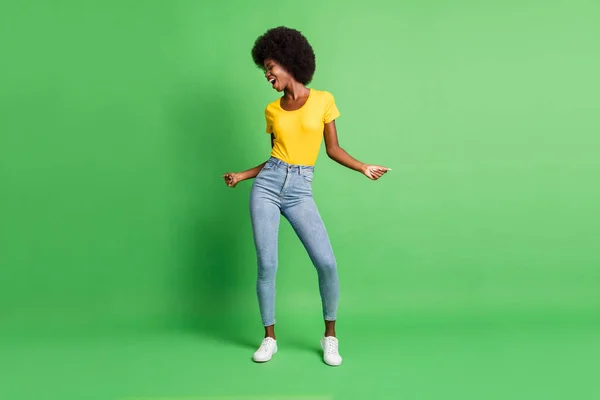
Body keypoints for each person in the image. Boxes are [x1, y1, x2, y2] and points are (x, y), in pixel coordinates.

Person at [222, 26, 390, 366]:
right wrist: (243, 175)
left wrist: (361, 167)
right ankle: (269, 338)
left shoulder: (324, 100)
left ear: (288, 61)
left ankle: (330, 336)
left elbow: (333, 149)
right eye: (264, 70)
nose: (267, 75)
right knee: (267, 264)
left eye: (270, 67)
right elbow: (275, 156)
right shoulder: (272, 110)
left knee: (326, 262)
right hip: (267, 187)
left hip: (300, 190)